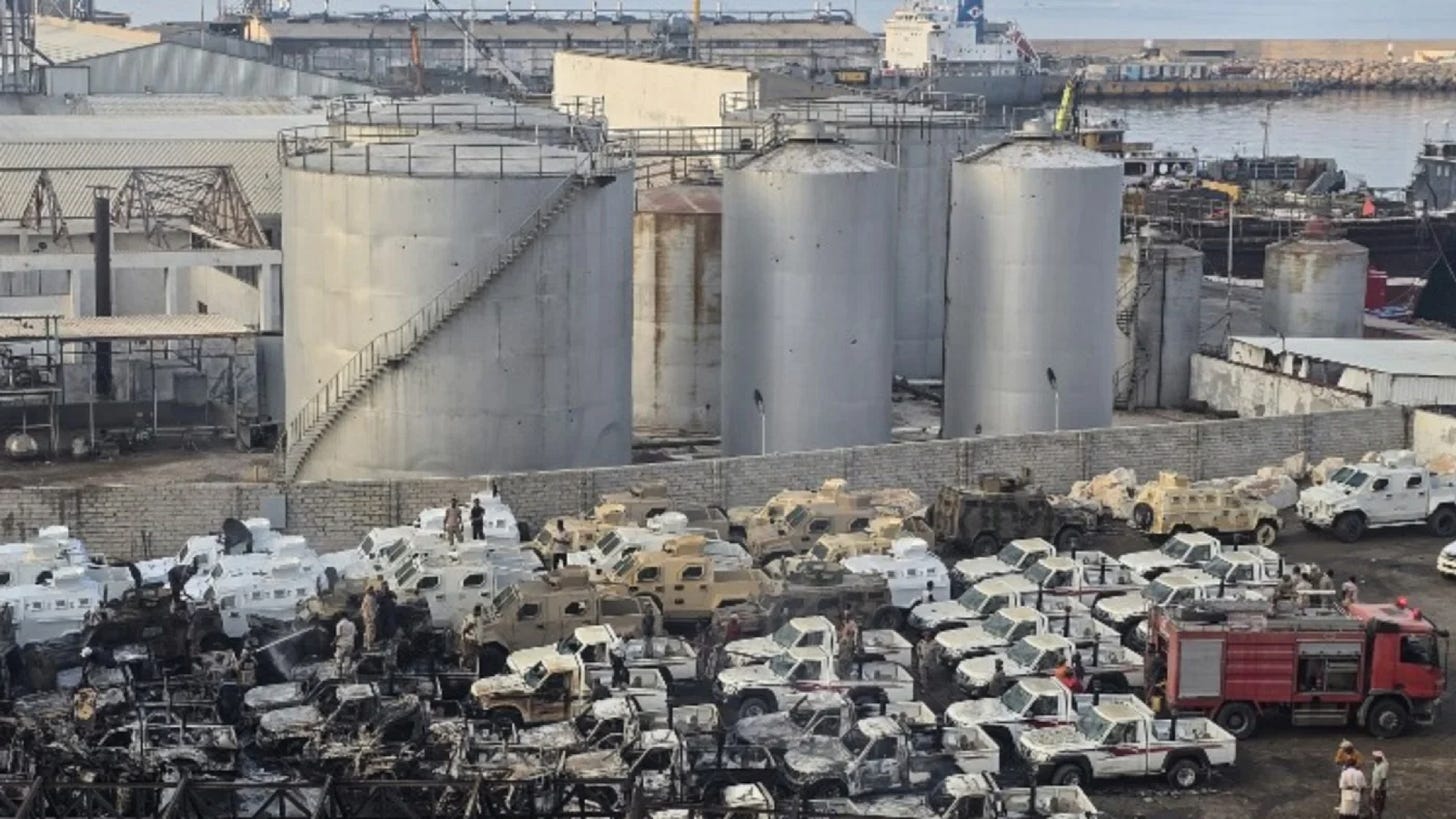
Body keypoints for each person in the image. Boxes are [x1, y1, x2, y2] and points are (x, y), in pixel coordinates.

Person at [460, 605, 482, 673]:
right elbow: (467, 627)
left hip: (472, 640)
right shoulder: (471, 617)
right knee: (468, 655)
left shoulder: (475, 617)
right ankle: (465, 668)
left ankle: (472, 670)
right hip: (469, 640)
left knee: (473, 656)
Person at [1369, 750, 1388, 819]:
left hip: (1379, 789)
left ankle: (1378, 816)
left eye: (1375, 757)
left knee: (1378, 804)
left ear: (1379, 758)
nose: (1373, 758)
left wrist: (1379, 789)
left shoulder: (1383, 766)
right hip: (1375, 787)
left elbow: (1383, 779)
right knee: (1372, 802)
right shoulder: (1376, 764)